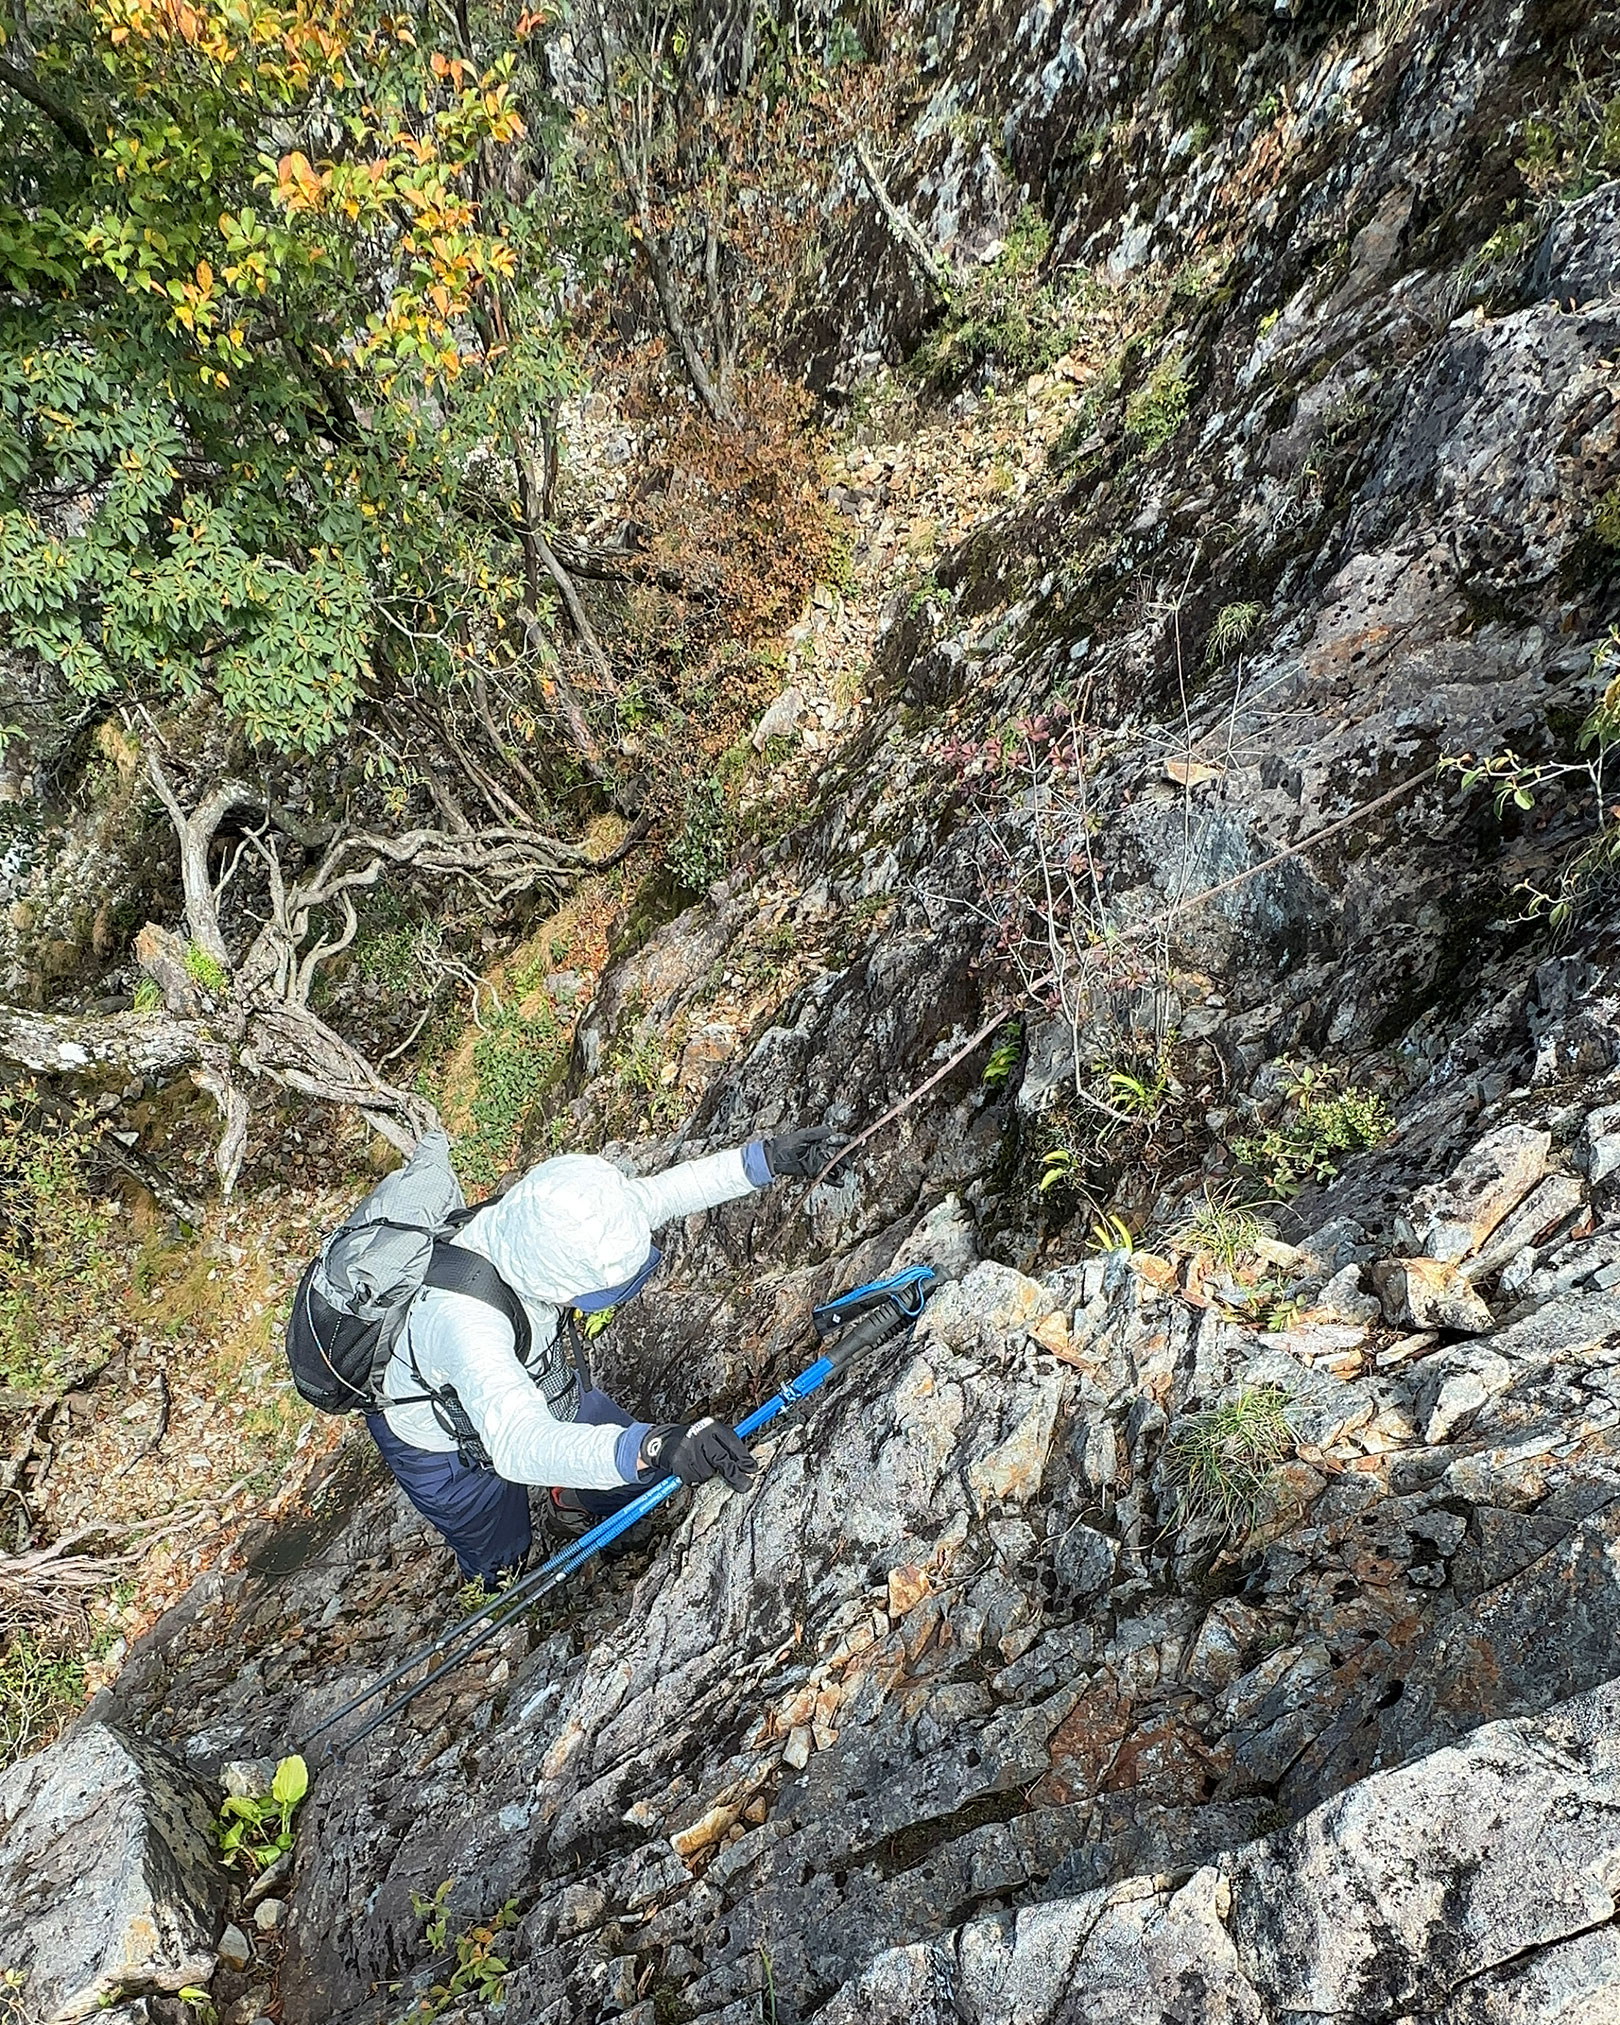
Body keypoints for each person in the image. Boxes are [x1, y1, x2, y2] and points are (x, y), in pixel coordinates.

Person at [364, 1126, 838, 1586]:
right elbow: (518, 1444)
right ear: (555, 1283)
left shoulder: (559, 1217)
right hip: (439, 1444)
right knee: (501, 1557)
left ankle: (569, 1500)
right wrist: (650, 1444)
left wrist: (768, 1159)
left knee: (641, 1481)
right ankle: (492, 1578)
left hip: (537, 1378)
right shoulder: (464, 1322)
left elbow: (665, 1193)